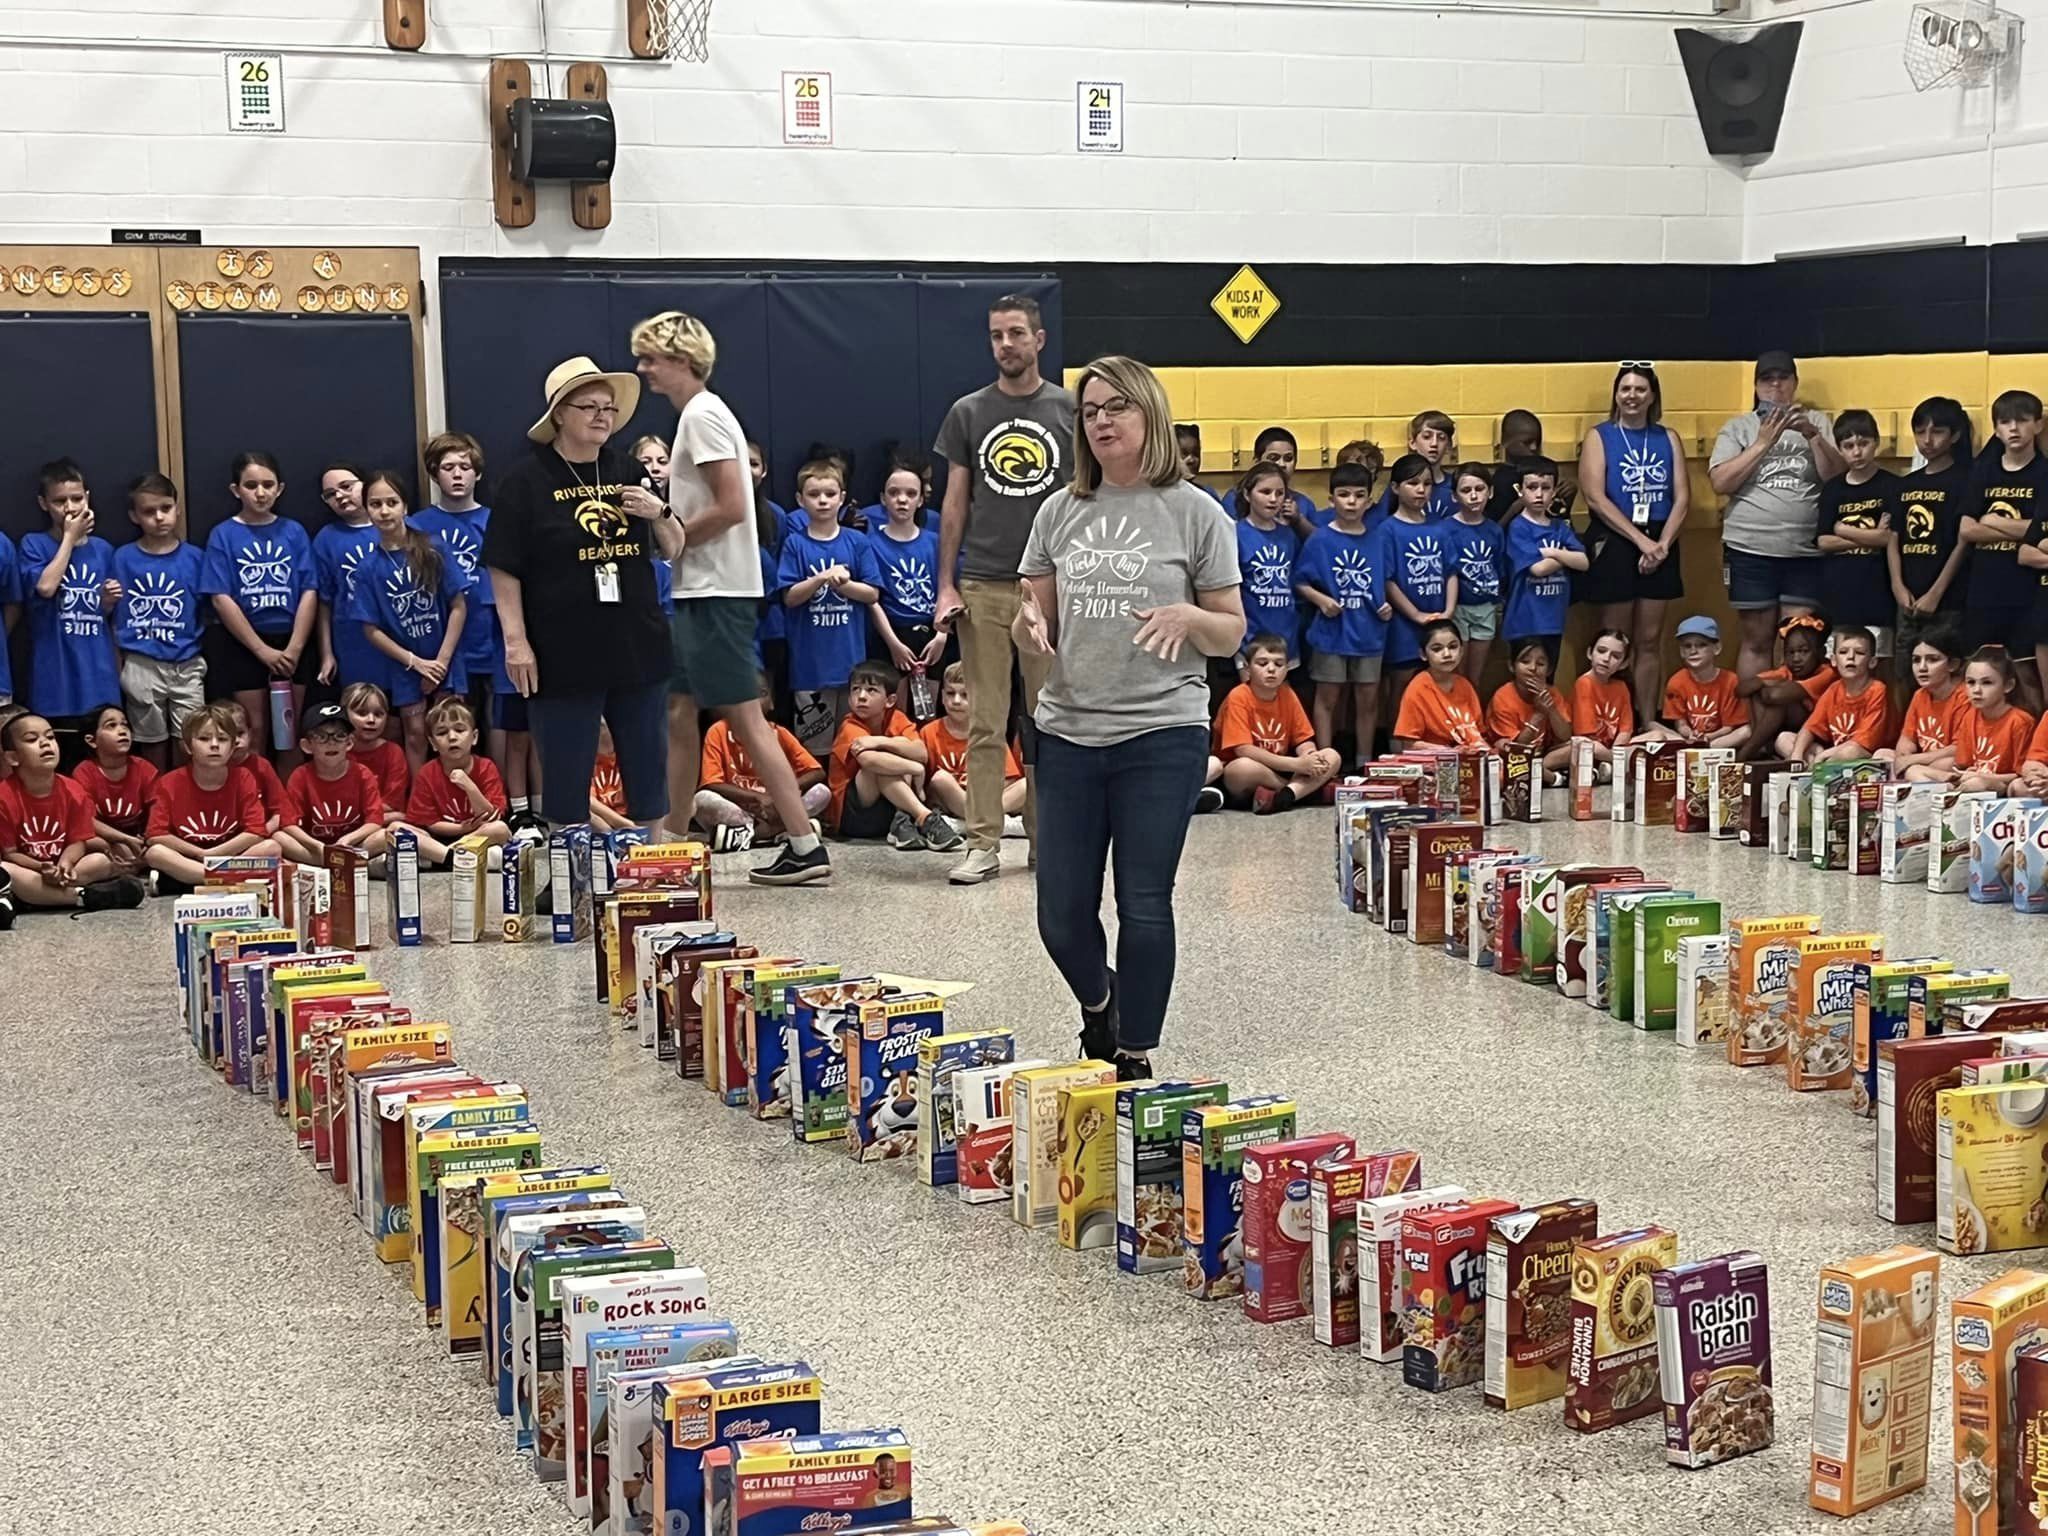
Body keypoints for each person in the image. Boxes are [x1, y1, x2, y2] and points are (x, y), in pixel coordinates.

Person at [1013, 353, 1243, 1080]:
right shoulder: (1059, 510)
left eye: (1117, 406)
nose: (1102, 420)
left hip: (1163, 733)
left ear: (1151, 413)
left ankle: (1134, 1052)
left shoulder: (1196, 512)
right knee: (1060, 915)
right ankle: (1100, 1005)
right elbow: (1034, 615)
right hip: (1067, 731)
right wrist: (1028, 627)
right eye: (1090, 411)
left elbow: (1231, 631)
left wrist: (1190, 617)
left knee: (1144, 902)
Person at [630, 312, 836, 885]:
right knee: (678, 712)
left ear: (681, 359)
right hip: (702, 588)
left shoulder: (702, 416)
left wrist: (668, 525)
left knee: (745, 717)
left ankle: (804, 844)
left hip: (718, 590)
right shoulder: (698, 416)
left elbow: (730, 506)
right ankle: (671, 846)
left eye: (650, 358)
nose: (642, 368)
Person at [481, 354, 681, 838]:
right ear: (559, 415)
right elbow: (503, 567)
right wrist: (516, 642)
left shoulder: (628, 468)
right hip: (562, 649)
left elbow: (675, 547)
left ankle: (649, 866)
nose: (601, 416)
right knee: (566, 775)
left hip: (636, 643)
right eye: (588, 406)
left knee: (648, 769)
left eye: (608, 408)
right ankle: (571, 871)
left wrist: (660, 511)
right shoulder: (525, 481)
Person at [933, 295, 1076, 884]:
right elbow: (954, 503)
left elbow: (1085, 498)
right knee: (986, 722)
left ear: (1039, 340)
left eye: (1016, 333)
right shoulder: (968, 412)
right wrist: (945, 584)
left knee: (1050, 721)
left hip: (1050, 585)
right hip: (984, 584)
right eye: (996, 335)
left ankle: (1050, 840)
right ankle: (982, 843)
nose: (1006, 345)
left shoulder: (1070, 409)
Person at [1710, 352, 1842, 686]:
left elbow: (1838, 479)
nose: (1776, 386)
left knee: (1800, 643)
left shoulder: (1819, 422)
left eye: (1783, 378)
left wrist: (1813, 436)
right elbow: (1721, 483)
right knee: (1757, 640)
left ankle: (1793, 716)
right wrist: (1762, 443)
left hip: (1804, 549)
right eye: (1767, 379)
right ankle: (1755, 715)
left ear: (1795, 383)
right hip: (1750, 547)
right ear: (1756, 387)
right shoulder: (1739, 427)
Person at [1579, 364, 1690, 724]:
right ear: (1616, 394)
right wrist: (1642, 542)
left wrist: (1662, 544)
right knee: (1615, 640)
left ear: (1652, 395)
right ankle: (1612, 721)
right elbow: (1595, 497)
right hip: (1616, 537)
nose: (1632, 396)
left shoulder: (1668, 437)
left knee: (1649, 639)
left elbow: (1682, 497)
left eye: (1640, 389)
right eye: (1625, 389)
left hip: (1660, 539)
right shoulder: (1600, 436)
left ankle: (1646, 719)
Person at [349, 468, 471, 772]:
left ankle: (455, 794)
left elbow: (458, 606)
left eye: (391, 502)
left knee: (451, 732)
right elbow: (370, 629)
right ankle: (421, 799)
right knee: (415, 735)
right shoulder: (368, 568)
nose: (384, 511)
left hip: (445, 661)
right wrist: (416, 663)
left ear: (404, 506)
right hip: (405, 665)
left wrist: (439, 663)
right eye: (375, 504)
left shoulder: (433, 549)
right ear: (367, 509)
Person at [202, 450, 318, 763]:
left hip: (293, 643)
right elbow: (220, 597)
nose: (260, 492)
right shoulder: (223, 534)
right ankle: (254, 794)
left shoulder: (294, 531)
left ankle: (287, 795)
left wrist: (295, 648)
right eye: (251, 485)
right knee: (253, 731)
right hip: (245, 644)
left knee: (289, 731)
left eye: (268, 484)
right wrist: (261, 650)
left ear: (280, 489)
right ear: (236, 490)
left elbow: (309, 590)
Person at [20, 458, 120, 766]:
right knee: (60, 764)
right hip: (56, 677)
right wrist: (69, 538)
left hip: (98, 675)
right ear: (43, 503)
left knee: (100, 764)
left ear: (87, 497)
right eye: (59, 501)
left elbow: (105, 616)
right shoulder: (33, 544)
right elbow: (46, 587)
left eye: (77, 498)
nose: (70, 508)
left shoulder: (104, 550)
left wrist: (106, 602)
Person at [777, 460, 880, 752]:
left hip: (851, 667)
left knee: (853, 748)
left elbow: (872, 593)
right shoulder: (794, 544)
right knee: (815, 751)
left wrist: (843, 584)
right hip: (810, 668)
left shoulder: (857, 542)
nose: (822, 500)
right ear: (800, 500)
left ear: (842, 498)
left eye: (830, 494)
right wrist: (822, 577)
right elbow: (790, 596)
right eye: (814, 494)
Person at [412, 432, 505, 749]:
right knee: (449, 726)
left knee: (497, 725)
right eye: (448, 467)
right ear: (434, 474)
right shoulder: (417, 526)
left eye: (464, 467)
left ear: (477, 473)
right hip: (439, 643)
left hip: (489, 637)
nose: (457, 474)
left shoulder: (494, 521)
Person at [1296, 465, 1391, 768]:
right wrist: (1321, 600)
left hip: (1369, 633)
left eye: (1359, 495)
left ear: (1369, 501)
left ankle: (1364, 763)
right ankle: (1326, 764)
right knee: (1328, 699)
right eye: (1344, 494)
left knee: (1368, 700)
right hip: (1332, 633)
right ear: (1331, 499)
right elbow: (1299, 582)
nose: (1351, 501)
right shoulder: (1320, 539)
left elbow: (1386, 581)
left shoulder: (1378, 539)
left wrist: (1387, 606)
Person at [0, 711, 143, 912]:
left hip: (65, 868)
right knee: (5, 870)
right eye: (32, 739)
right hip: (30, 869)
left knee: (100, 860)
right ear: (13, 757)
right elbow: (11, 854)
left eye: (50, 737)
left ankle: (36, 897)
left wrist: (65, 864)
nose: (45, 743)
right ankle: (83, 897)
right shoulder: (4, 797)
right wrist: (41, 868)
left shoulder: (73, 790)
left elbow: (77, 841)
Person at [111, 473, 206, 771]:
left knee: (189, 740)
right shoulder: (122, 558)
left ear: (177, 508)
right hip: (141, 661)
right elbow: (111, 614)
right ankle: (155, 795)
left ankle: (179, 794)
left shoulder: (195, 558)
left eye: (166, 508)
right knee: (150, 741)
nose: (159, 517)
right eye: (149, 511)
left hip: (186, 661)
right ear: (134, 516)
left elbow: (209, 610)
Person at [1967, 389, 2048, 714]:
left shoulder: (2044, 472)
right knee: (1979, 673)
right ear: (1996, 429)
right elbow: (1966, 529)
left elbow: (2041, 533)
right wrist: (2022, 529)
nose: (2013, 428)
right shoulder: (1984, 471)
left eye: (2022, 420)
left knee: (2028, 676)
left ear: (2038, 425)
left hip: (2027, 589)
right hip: (1983, 587)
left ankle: (2036, 738)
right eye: (2005, 422)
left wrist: (1992, 520)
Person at [144, 702, 279, 892]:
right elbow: (155, 835)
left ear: (232, 747)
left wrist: (214, 853)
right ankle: (226, 880)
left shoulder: (244, 777)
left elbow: (256, 831)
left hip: (232, 856)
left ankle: (191, 882)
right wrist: (199, 853)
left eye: (222, 739)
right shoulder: (168, 782)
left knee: (272, 847)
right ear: (188, 746)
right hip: (190, 857)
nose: (214, 745)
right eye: (204, 738)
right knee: (155, 853)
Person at [825, 662, 957, 850]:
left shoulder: (897, 718)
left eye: (871, 690)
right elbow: (869, 761)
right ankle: (925, 817)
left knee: (898, 752)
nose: (861, 696)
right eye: (856, 689)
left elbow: (921, 752)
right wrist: (915, 768)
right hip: (853, 818)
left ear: (890, 700)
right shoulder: (850, 725)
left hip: (889, 809)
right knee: (880, 766)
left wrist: (880, 741)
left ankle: (902, 823)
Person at [1213, 634, 1341, 811]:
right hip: (1247, 770)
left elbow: (1303, 739)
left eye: (1279, 664)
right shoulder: (1238, 696)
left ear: (1287, 669)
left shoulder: (1287, 694)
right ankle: (1301, 792)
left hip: (1284, 767)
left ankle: (1286, 796)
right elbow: (1243, 750)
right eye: (1262, 664)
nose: (1271, 669)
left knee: (1332, 756)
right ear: (1248, 668)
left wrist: (1310, 756)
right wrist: (1297, 765)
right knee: (1241, 768)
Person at [694, 685, 830, 852]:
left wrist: (780, 796)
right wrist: (758, 798)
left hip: (779, 809)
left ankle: (748, 835)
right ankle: (783, 830)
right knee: (701, 800)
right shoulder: (718, 731)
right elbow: (711, 783)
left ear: (771, 703)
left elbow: (817, 772)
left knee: (822, 792)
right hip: (740, 810)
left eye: (761, 693)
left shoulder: (779, 733)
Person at [1816, 411, 1899, 678]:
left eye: (1863, 443)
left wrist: (1842, 529)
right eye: (1849, 446)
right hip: (1839, 593)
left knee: (1880, 667)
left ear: (1876, 442)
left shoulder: (1892, 486)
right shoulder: (1833, 490)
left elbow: (1886, 538)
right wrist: (1868, 535)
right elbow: (1823, 541)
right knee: (1839, 669)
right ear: (1840, 449)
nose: (1857, 452)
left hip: (1877, 593)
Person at [1889, 397, 1974, 649]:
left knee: (1943, 664)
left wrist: (1936, 593)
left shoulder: (1966, 481)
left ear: (1955, 435)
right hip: (1907, 598)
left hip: (1949, 600)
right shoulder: (1905, 484)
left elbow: (1963, 542)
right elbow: (1893, 537)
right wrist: (1897, 586)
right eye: (1920, 432)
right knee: (1905, 667)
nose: (1927, 440)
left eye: (1937, 432)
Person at [1378, 453, 1459, 699]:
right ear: (1395, 488)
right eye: (1413, 483)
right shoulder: (1387, 530)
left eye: (1427, 484)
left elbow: (1451, 573)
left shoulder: (1440, 528)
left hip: (1438, 622)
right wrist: (1415, 614)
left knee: (1438, 686)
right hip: (1403, 625)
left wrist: (1448, 612)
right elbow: (1387, 581)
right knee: (1401, 689)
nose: (1421, 490)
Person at [397, 696, 510, 866]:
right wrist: (463, 828)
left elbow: (490, 817)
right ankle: (454, 857)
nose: (452, 737)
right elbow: (431, 823)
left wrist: (470, 787)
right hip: (438, 839)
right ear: (433, 743)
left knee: (500, 829)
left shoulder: (486, 767)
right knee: (397, 828)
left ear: (474, 737)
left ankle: (441, 859)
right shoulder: (426, 773)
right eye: (442, 733)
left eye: (459, 730)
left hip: (478, 834)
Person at [1500, 456, 1587, 675]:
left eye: (1546, 488)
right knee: (1527, 679)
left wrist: (1553, 553)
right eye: (1532, 487)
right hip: (1524, 621)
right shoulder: (1518, 527)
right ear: (1520, 490)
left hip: (1553, 620)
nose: (1539, 494)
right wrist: (1567, 555)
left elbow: (1583, 562)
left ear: (1554, 491)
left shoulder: (1560, 527)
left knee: (1547, 677)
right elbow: (1538, 569)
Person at [866, 464, 947, 696]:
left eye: (911, 494)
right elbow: (872, 600)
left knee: (929, 708)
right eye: (894, 493)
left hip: (933, 633)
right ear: (883, 498)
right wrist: (893, 644)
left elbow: (949, 590)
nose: (902, 500)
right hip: (891, 634)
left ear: (921, 500)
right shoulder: (870, 545)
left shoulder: (936, 542)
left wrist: (942, 635)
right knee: (894, 707)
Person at [275, 702, 388, 866]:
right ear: (307, 746)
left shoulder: (363, 774)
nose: (331, 743)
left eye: (339, 736)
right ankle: (346, 863)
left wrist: (348, 840)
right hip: (316, 847)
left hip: (353, 844)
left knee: (383, 836)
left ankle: (332, 862)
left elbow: (375, 821)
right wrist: (318, 847)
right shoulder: (300, 776)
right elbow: (288, 824)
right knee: (279, 838)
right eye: (321, 737)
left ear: (349, 743)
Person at [312, 461, 385, 706]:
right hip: (353, 645)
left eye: (346, 486)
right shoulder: (326, 539)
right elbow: (324, 603)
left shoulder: (395, 526)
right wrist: (326, 654)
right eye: (330, 494)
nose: (340, 496)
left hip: (399, 640)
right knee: (362, 712)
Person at [920, 663, 1025, 832]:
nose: (956, 701)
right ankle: (993, 823)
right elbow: (926, 784)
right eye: (950, 693)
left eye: (965, 695)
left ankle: (968, 824)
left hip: (984, 799)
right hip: (948, 801)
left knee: (1027, 784)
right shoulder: (929, 731)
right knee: (940, 779)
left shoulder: (989, 732)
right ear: (942, 697)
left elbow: (1009, 779)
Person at [1928, 647, 2037, 793]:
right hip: (1975, 777)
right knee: (1917, 770)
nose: (1976, 690)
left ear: (2008, 686)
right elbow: (1965, 763)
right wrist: (1966, 772)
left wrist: (1982, 777)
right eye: (1971, 682)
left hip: (2001, 784)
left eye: (1986, 683)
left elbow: (2020, 776)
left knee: (1978, 783)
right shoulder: (1970, 716)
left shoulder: (2021, 721)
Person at [1783, 628, 1891, 763]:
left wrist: (1824, 755)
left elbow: (1861, 743)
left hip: (1866, 753)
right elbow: (1810, 727)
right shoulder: (1833, 689)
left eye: (1859, 653)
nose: (1850, 657)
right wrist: (1796, 756)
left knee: (1850, 752)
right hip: (1834, 752)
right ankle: (1814, 765)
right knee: (1784, 739)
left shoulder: (1877, 690)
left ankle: (1818, 766)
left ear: (1872, 662)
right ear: (1834, 660)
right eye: (1843, 652)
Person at [1736, 614, 1836, 759]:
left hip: (1818, 732)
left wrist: (1771, 684)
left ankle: (1747, 752)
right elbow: (1741, 689)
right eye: (1790, 652)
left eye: (1803, 651)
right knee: (1757, 695)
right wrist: (1771, 684)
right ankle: (1763, 746)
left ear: (1822, 653)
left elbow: (1773, 696)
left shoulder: (1827, 673)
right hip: (1788, 733)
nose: (1796, 659)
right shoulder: (1787, 671)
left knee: (1780, 703)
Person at [1642, 615, 1749, 750]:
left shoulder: (1731, 681)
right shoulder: (1676, 681)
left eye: (1701, 645)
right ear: (1681, 651)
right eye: (1687, 646)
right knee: (1652, 725)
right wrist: (1690, 734)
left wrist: (1708, 737)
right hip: (1688, 739)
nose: (1693, 651)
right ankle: (1690, 748)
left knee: (1747, 731)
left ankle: (1702, 750)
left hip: (1717, 738)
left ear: (1717, 648)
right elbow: (1680, 724)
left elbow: (1729, 727)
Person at [1234, 462, 1303, 669]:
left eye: (1279, 493)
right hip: (1249, 641)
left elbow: (1295, 583)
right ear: (1247, 495)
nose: (1273, 499)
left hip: (1286, 638)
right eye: (1265, 492)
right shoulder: (1235, 534)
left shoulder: (1288, 535)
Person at [71, 703, 153, 873]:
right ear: (92, 740)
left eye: (125, 725)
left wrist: (147, 837)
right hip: (104, 838)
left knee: (159, 847)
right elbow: (86, 821)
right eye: (111, 725)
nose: (122, 731)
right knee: (93, 844)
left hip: (139, 838)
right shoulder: (84, 772)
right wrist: (125, 839)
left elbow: (157, 812)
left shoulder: (144, 768)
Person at [1447, 462, 1505, 684]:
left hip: (1486, 607)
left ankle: (1472, 707)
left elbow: (1499, 569)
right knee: (1456, 676)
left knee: (1476, 678)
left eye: (1479, 489)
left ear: (1490, 492)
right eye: (1466, 490)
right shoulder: (1445, 530)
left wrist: (1498, 605)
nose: (1473, 496)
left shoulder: (1495, 530)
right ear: (1454, 496)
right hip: (1457, 608)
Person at [1392, 621, 1487, 749]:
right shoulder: (1417, 689)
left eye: (1453, 647)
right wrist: (1449, 752)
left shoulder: (1465, 685)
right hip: (1436, 759)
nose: (1447, 654)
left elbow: (1480, 734)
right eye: (1437, 649)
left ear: (1461, 651)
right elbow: (1409, 744)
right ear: (1423, 655)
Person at [1884, 629, 1968, 773]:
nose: (1922, 668)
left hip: (1946, 761)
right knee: (1882, 754)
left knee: (1947, 764)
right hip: (1923, 761)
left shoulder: (1965, 696)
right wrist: (1904, 756)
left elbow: (1958, 749)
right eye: (1916, 660)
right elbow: (1907, 739)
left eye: (1932, 660)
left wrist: (1912, 761)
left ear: (1952, 664)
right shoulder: (1919, 695)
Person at [1486, 639, 1573, 776]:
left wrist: (1551, 709)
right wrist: (1539, 715)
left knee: (1580, 746)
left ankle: (1539, 771)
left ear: (1549, 670)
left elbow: (1565, 736)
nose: (1533, 668)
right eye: (1525, 662)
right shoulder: (1502, 697)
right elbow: (1516, 749)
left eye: (1540, 664)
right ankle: (1549, 776)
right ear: (1512, 666)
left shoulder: (1552, 693)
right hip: (1512, 758)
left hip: (1544, 757)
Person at [1220, 427, 1317, 531]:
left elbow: (1319, 539)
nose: (1282, 464)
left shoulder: (1303, 503)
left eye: (1288, 458)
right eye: (1273, 458)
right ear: (1257, 462)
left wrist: (1299, 521)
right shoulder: (1234, 498)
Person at [1570, 629, 1636, 771]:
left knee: (1658, 735)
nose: (1606, 659)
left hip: (1614, 749)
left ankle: (1612, 765)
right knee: (1588, 746)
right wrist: (1616, 756)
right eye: (1601, 651)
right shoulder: (1584, 683)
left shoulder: (1621, 687)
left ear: (1623, 663)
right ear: (1590, 653)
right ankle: (1621, 764)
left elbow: (1625, 731)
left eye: (1615, 656)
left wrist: (1615, 752)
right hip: (1591, 746)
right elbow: (1586, 734)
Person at [342, 681, 409, 817]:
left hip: (383, 818)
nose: (371, 720)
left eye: (378, 714)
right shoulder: (336, 752)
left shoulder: (393, 752)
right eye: (362, 713)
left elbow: (392, 804)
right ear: (344, 714)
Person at [223, 699, 289, 837]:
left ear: (250, 733)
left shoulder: (262, 766)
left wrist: (262, 833)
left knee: (280, 839)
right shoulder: (209, 768)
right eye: (227, 735)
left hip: (260, 835)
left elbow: (281, 811)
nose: (236, 740)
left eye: (240, 733)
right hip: (220, 836)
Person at [1488, 410, 1546, 522]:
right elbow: (1495, 528)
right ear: (1505, 441)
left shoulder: (1545, 472)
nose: (1534, 447)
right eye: (1527, 442)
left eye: (1538, 442)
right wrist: (1515, 509)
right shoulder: (1501, 482)